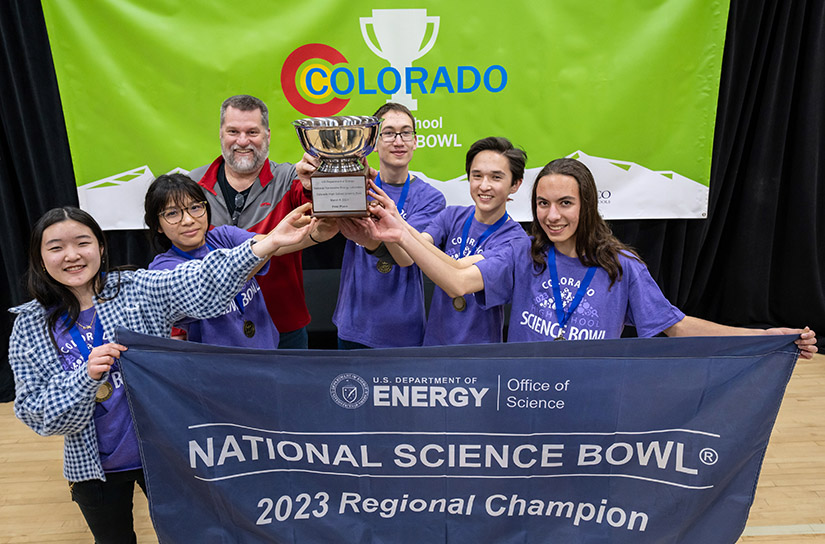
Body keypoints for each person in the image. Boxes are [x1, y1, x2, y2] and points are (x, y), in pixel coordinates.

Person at [8, 204, 316, 544]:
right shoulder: (29, 326)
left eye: (82, 242)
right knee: (114, 543)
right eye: (55, 247)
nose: (72, 256)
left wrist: (266, 244)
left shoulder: (136, 289)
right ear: (39, 257)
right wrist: (84, 377)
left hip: (165, 453)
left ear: (101, 247)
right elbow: (36, 413)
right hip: (93, 467)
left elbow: (200, 279)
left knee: (195, 535)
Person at [364, 157, 818, 357]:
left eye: (565, 203)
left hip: (590, 404)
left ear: (587, 205)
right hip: (522, 398)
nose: (553, 215)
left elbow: (677, 326)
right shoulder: (523, 253)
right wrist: (399, 230)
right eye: (543, 204)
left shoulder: (621, 267)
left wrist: (763, 335)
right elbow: (458, 281)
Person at [189, 94, 333, 349]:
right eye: (233, 131)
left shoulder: (291, 179)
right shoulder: (192, 188)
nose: (242, 141)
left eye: (252, 132)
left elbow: (324, 217)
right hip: (215, 329)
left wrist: (316, 185)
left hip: (284, 328)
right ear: (221, 134)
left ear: (267, 135)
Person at [331, 102, 446, 348]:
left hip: (402, 328)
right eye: (389, 133)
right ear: (373, 143)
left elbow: (410, 255)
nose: (399, 141)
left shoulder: (431, 198)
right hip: (354, 325)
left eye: (406, 132)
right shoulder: (357, 187)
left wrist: (373, 238)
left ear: (415, 141)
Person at [145, 173, 288, 349]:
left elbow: (274, 243)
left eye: (195, 207)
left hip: (267, 357)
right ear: (158, 225)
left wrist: (315, 234)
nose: (188, 220)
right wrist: (274, 240)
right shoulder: (162, 270)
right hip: (216, 370)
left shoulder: (223, 237)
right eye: (172, 213)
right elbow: (213, 285)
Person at [420, 137, 529, 345]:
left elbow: (459, 271)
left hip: (479, 355)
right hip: (433, 348)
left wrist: (400, 229)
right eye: (476, 176)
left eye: (496, 177)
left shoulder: (516, 241)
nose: (484, 186)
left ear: (515, 184)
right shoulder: (451, 216)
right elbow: (421, 242)